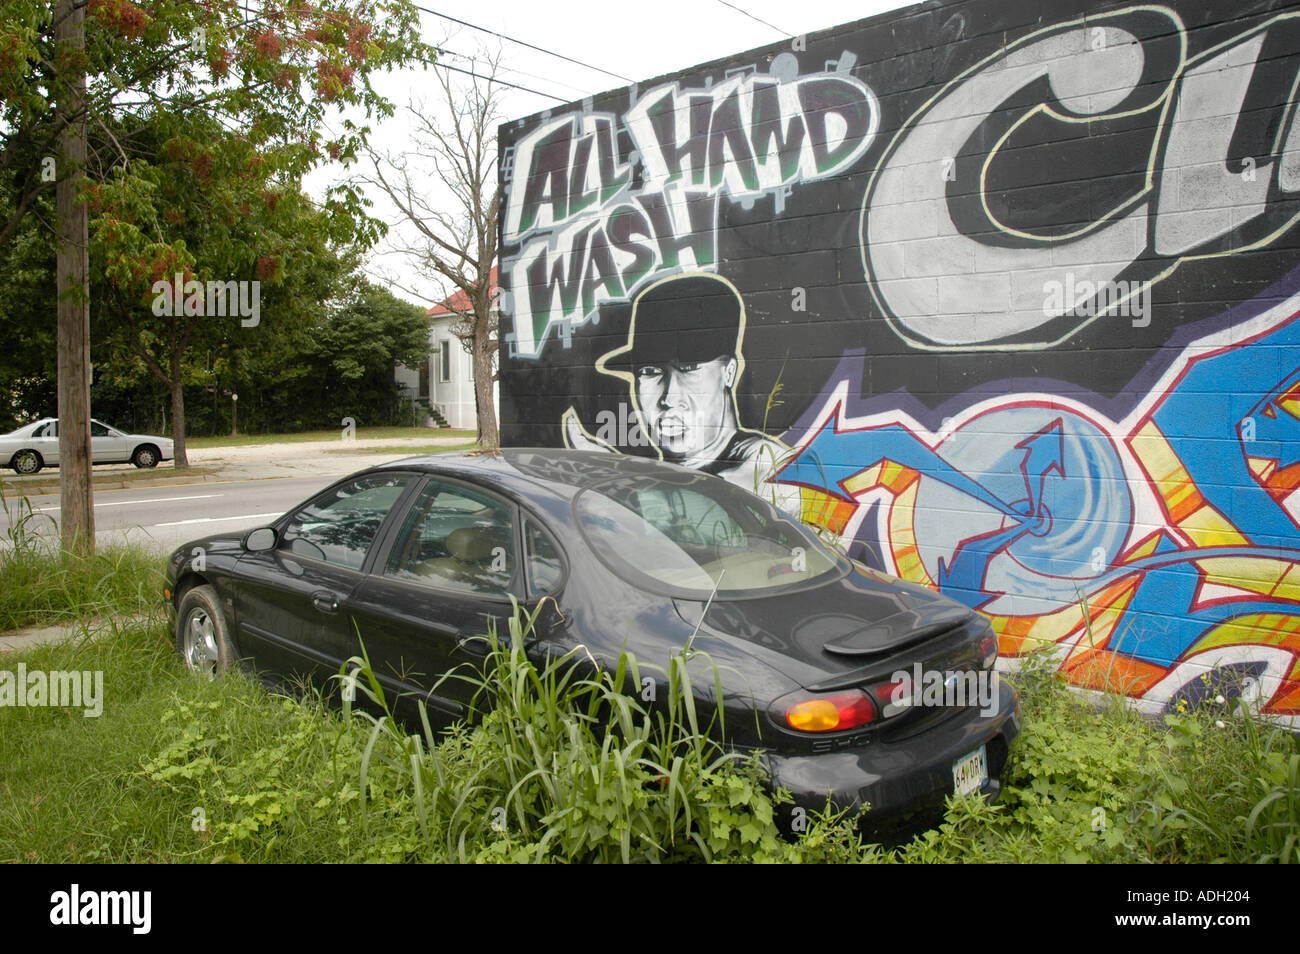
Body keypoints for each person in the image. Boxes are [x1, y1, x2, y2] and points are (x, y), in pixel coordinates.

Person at [564, 272, 799, 513]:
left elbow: (707, 508)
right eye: (650, 371)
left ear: (729, 372)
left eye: (689, 368)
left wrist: (613, 480)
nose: (668, 398)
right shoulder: (663, 475)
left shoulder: (768, 462)